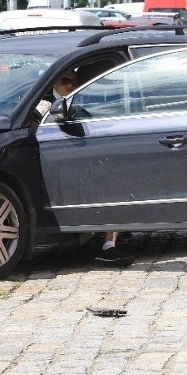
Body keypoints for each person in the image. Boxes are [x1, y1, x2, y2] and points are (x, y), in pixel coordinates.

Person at [51, 70, 135, 267]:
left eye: (75, 81)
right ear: (54, 83)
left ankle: (109, 244)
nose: (71, 85)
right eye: (65, 81)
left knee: (113, 180)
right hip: (59, 161)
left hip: (83, 158)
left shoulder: (81, 103)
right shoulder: (45, 105)